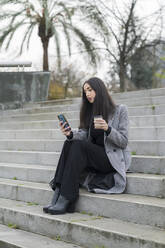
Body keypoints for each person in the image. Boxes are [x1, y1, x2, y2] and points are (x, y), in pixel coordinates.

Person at [43, 77, 131, 215]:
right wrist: (70, 134)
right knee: (69, 143)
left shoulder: (120, 110)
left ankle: (66, 198)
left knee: (79, 146)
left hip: (110, 159)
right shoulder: (90, 112)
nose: (87, 94)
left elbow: (124, 141)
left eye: (90, 90)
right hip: (93, 157)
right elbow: (84, 135)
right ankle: (58, 193)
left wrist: (108, 129)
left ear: (99, 89)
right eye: (85, 92)